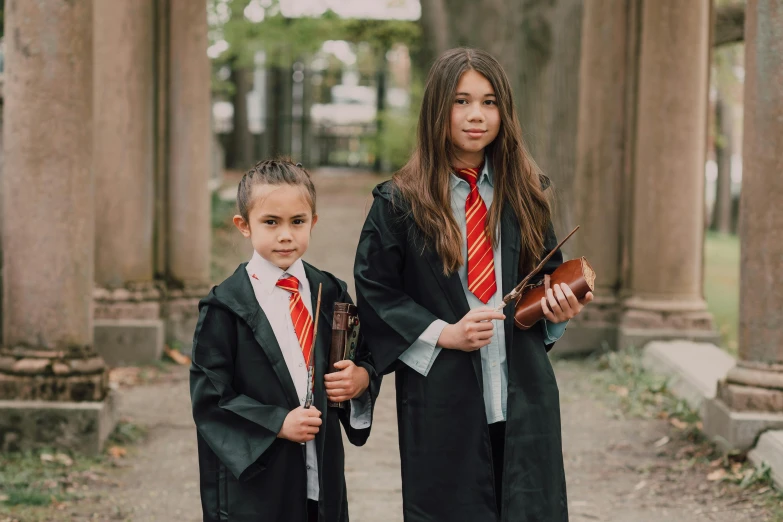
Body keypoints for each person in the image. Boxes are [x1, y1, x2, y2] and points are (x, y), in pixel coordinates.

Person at [354, 48, 593, 522]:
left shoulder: (527, 193)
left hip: (521, 389)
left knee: (529, 507)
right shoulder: (399, 203)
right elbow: (376, 293)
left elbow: (545, 278)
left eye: (489, 102)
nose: (476, 116)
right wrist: (445, 333)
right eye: (461, 101)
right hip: (443, 394)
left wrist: (556, 314)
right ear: (437, 109)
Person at [191, 159, 379, 522]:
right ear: (243, 225)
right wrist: (276, 422)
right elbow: (210, 398)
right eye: (270, 222)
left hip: (320, 468)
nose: (286, 235)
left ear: (314, 221)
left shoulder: (331, 291)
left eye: (298, 221)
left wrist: (361, 378)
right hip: (259, 481)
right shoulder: (225, 307)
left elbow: (362, 354)